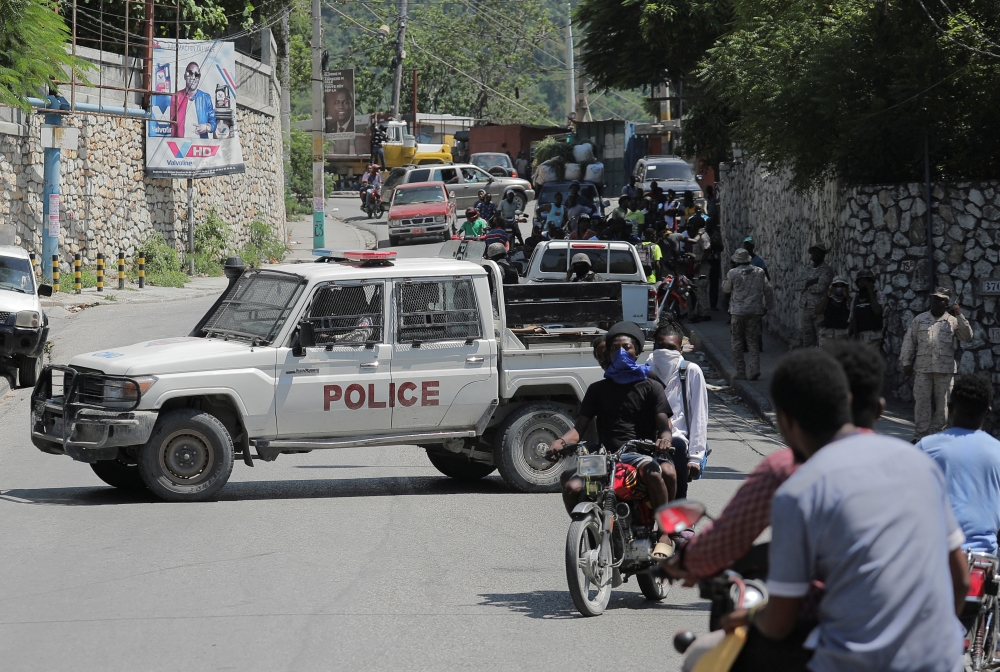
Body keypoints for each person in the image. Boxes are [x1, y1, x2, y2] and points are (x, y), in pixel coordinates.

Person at [719, 348, 969, 672]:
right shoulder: (920, 463)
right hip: (942, 660)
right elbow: (960, 579)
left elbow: (779, 622)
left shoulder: (799, 492)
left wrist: (750, 615)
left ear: (784, 419)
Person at [666, 341, 886, 589]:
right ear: (879, 409)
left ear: (784, 418)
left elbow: (728, 537)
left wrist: (685, 562)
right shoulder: (922, 462)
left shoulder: (787, 468)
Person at [547, 321, 680, 558]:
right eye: (614, 349)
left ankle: (664, 534)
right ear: (608, 353)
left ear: (637, 351)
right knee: (571, 484)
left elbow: (664, 426)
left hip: (640, 453)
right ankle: (589, 532)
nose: (621, 353)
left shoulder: (651, 387)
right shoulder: (597, 389)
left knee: (654, 472)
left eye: (626, 347)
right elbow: (578, 429)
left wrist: (664, 440)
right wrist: (561, 441)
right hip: (605, 456)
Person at [919, 373, 1000, 555]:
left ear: (950, 407)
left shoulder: (926, 447)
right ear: (987, 411)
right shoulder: (998, 451)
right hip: (986, 557)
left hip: (935, 553)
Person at [900, 287, 974, 440]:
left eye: (940, 299)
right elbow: (909, 341)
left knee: (943, 405)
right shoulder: (920, 319)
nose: (936, 301)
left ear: (946, 303)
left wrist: (959, 314)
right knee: (921, 403)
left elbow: (967, 336)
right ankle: (921, 437)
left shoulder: (953, 321)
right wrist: (906, 362)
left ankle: (937, 437)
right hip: (922, 368)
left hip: (944, 369)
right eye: (934, 298)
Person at [648, 321, 708, 491]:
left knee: (678, 449)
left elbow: (699, 415)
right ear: (654, 347)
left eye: (671, 347)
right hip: (649, 439)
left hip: (678, 442)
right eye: (661, 346)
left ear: (681, 349)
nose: (665, 352)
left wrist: (695, 458)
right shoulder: (646, 369)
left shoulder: (690, 372)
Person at [723, 249, 773, 380]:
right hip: (755, 311)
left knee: (737, 341)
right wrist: (768, 306)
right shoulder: (759, 272)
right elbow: (768, 289)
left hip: (738, 312)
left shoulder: (733, 273)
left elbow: (726, 289)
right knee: (753, 341)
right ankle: (755, 368)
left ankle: (741, 371)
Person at [794, 243, 834, 347]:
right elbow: (796, 285)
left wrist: (805, 284)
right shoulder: (806, 269)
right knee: (807, 339)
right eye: (814, 252)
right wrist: (811, 282)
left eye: (818, 252)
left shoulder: (827, 270)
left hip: (819, 309)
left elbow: (820, 287)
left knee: (821, 339)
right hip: (806, 308)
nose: (815, 254)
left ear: (823, 255)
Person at [171, 62, 216, 139]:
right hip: (181, 145)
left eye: (197, 75)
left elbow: (213, 123)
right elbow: (171, 124)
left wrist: (206, 127)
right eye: (190, 73)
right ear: (185, 76)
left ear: (199, 78)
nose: (193, 77)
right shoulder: (176, 97)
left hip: (200, 146)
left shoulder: (206, 98)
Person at [685, 216, 713, 322]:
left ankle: (704, 313)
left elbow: (707, 249)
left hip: (703, 266)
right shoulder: (698, 235)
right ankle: (701, 312)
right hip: (697, 265)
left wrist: (700, 263)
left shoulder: (703, 236)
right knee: (698, 290)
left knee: (701, 289)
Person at [849, 269, 884, 347]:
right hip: (859, 338)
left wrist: (870, 292)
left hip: (873, 337)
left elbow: (877, 311)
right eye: (860, 281)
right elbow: (852, 318)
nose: (862, 283)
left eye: (865, 280)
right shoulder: (855, 299)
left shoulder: (878, 295)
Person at [814, 276, 851, 346]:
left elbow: (853, 309)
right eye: (836, 286)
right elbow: (817, 311)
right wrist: (827, 296)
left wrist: (847, 296)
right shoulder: (827, 299)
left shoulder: (849, 298)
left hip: (842, 334)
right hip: (827, 334)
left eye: (841, 286)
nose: (839, 288)